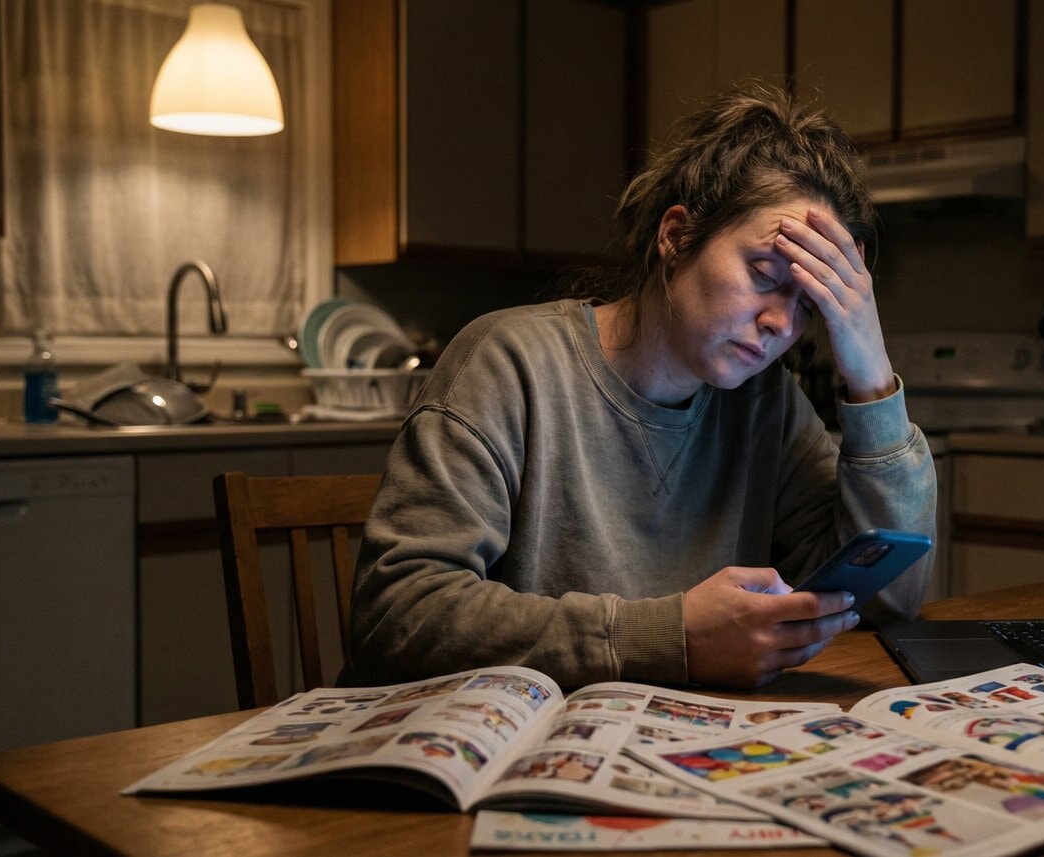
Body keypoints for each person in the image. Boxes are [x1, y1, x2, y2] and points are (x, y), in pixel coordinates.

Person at [342, 83, 936, 691]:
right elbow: (397, 617)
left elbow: (887, 597)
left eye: (809, 305)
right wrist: (668, 637)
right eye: (763, 275)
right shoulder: (509, 364)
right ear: (676, 236)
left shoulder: (765, 401)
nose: (782, 324)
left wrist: (871, 377)